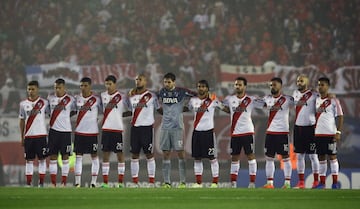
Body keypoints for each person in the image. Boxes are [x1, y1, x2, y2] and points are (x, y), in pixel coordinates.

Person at [222, 77, 265, 188]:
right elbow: (226, 109)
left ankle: (252, 183)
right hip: (235, 133)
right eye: (236, 84)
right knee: (234, 157)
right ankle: (233, 183)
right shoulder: (229, 99)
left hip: (248, 132)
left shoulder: (251, 99)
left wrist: (264, 100)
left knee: (250, 155)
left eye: (240, 85)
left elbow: (264, 105)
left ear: (245, 86)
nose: (237, 86)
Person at [157, 72, 196, 188]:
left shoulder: (181, 91)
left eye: (169, 82)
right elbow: (151, 97)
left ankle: (183, 182)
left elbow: (196, 95)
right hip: (165, 127)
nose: (166, 84)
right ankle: (167, 182)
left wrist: (188, 107)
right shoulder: (161, 92)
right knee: (166, 153)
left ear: (174, 82)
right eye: (165, 82)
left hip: (178, 127)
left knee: (180, 153)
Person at [188, 79, 225, 188]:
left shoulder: (213, 100)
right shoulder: (193, 100)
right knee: (197, 158)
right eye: (199, 86)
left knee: (212, 158)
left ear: (207, 89)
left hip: (208, 133)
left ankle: (215, 183)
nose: (201, 88)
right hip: (196, 133)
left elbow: (225, 108)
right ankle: (198, 183)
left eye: (203, 86)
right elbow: (187, 108)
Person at [127, 74, 160, 187]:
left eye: (140, 79)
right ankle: (135, 182)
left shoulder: (152, 96)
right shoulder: (131, 96)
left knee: (149, 154)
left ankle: (151, 181)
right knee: (134, 155)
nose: (137, 81)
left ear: (145, 81)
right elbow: (129, 111)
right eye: (136, 79)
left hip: (146, 129)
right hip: (135, 128)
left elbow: (159, 109)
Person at [262, 77, 294, 189]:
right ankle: (270, 183)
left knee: (285, 158)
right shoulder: (266, 99)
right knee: (269, 158)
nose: (272, 87)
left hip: (282, 133)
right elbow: (254, 104)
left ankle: (287, 183)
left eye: (274, 85)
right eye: (271, 85)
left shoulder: (287, 99)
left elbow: (303, 102)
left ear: (280, 86)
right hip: (270, 132)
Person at [314, 77, 344, 189]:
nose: (320, 87)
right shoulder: (315, 100)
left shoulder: (334, 101)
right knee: (321, 158)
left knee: (332, 157)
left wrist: (338, 132)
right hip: (318, 134)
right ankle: (322, 183)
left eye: (322, 85)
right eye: (319, 85)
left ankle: (335, 183)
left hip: (330, 134)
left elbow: (340, 116)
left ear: (327, 86)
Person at [19, 80, 49, 187]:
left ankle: (41, 183)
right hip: (29, 137)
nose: (30, 91)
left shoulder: (44, 103)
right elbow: (22, 120)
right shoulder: (23, 104)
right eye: (29, 89)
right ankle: (28, 183)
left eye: (33, 89)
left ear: (37, 89)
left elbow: (51, 115)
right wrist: (22, 137)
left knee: (42, 160)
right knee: (29, 161)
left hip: (41, 136)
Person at [100, 75, 128, 188]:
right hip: (106, 129)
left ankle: (120, 182)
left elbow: (130, 110)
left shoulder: (122, 97)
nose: (108, 86)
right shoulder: (102, 96)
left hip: (117, 129)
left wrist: (120, 116)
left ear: (115, 84)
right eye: (106, 84)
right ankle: (105, 183)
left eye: (110, 84)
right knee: (105, 155)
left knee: (120, 155)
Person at [292, 75, 320, 189]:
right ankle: (301, 182)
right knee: (299, 156)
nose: (299, 83)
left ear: (307, 82)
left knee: (313, 156)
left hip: (310, 128)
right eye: (298, 81)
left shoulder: (314, 95)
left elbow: (324, 100)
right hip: (298, 128)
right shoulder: (295, 94)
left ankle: (316, 181)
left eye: (301, 81)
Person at [47, 78, 76, 187]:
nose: (57, 90)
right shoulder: (50, 98)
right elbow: (48, 112)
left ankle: (64, 183)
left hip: (66, 132)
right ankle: (53, 184)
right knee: (53, 157)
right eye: (56, 88)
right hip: (53, 131)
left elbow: (74, 111)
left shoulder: (71, 100)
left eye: (59, 88)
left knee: (65, 157)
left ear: (64, 88)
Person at [74, 77, 102, 187]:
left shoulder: (97, 99)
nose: (83, 88)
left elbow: (105, 110)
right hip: (79, 133)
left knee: (94, 156)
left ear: (90, 86)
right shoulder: (76, 99)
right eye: (81, 86)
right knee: (78, 157)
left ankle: (94, 182)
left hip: (92, 133)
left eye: (85, 85)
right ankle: (77, 182)